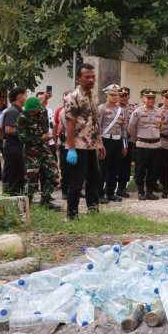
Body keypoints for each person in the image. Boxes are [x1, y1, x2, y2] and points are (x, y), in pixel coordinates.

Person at [64, 63, 105, 220]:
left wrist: (99, 143)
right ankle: (72, 214)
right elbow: (70, 123)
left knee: (94, 178)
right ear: (78, 78)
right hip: (79, 145)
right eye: (87, 77)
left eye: (93, 77)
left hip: (91, 145)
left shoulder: (92, 96)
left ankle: (93, 208)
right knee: (77, 181)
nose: (91, 79)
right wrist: (71, 147)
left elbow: (95, 121)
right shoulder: (72, 97)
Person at [17, 97, 60, 210]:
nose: (33, 113)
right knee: (31, 179)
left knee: (54, 174)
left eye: (35, 110)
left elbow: (45, 128)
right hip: (31, 151)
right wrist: (41, 138)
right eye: (31, 111)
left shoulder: (42, 112)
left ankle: (45, 201)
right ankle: (26, 205)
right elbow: (22, 138)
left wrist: (46, 136)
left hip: (44, 149)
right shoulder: (22, 117)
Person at [129, 89, 161, 200]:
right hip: (142, 145)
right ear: (143, 99)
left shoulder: (159, 112)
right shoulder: (137, 112)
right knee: (140, 170)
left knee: (153, 170)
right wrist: (138, 138)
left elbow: (161, 127)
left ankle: (150, 191)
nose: (151, 100)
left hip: (156, 145)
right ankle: (141, 191)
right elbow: (131, 128)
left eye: (152, 98)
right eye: (148, 98)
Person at [98, 84, 127, 203]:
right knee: (102, 169)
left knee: (114, 169)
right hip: (105, 141)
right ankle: (99, 194)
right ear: (107, 95)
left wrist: (124, 144)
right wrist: (99, 144)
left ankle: (110, 193)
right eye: (112, 95)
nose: (115, 97)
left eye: (117, 95)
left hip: (117, 141)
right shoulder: (101, 108)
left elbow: (123, 128)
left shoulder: (121, 110)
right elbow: (98, 127)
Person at [1, 87, 26, 196]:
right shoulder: (12, 111)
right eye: (25, 95)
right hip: (13, 149)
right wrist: (26, 132)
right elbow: (8, 129)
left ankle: (17, 198)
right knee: (12, 175)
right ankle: (9, 198)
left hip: (19, 148)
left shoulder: (20, 111)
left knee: (19, 175)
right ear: (19, 96)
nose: (26, 97)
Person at [117, 87, 136, 198]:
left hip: (128, 141)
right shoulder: (115, 108)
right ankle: (109, 187)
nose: (124, 97)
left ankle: (122, 188)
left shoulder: (132, 109)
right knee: (114, 165)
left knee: (125, 165)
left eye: (126, 95)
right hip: (116, 140)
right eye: (121, 95)